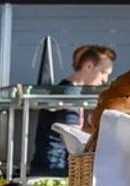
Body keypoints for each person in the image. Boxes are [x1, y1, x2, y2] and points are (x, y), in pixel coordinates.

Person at [30, 45, 115, 176]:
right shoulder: (70, 94)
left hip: (50, 163)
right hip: (54, 167)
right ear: (88, 66)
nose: (105, 80)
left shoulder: (69, 90)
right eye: (103, 72)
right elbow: (72, 137)